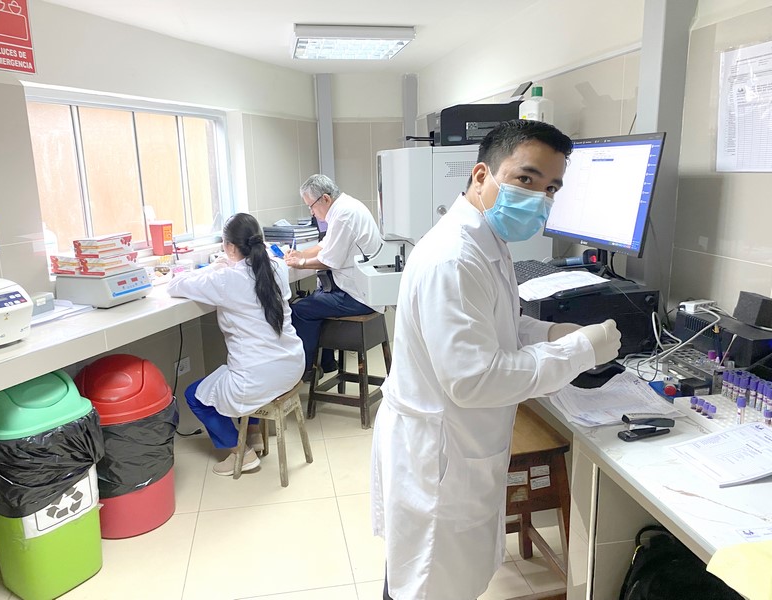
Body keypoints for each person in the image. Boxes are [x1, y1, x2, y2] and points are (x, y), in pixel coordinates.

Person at [370, 120, 622, 600]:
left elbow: (498, 324)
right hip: (441, 455)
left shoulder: (486, 240)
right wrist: (579, 351)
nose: (539, 198)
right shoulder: (455, 258)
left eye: (551, 188)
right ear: (482, 174)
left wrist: (551, 333)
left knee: (424, 577)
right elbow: (474, 379)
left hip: (454, 446)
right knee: (426, 584)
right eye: (525, 178)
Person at [168, 213, 305, 476]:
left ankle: (241, 452)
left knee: (193, 395)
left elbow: (175, 285)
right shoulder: (277, 267)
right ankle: (252, 434)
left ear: (230, 247)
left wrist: (215, 268)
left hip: (257, 378)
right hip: (292, 366)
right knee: (236, 372)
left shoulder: (226, 280)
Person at [285, 174, 383, 381]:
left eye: (311, 206)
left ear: (325, 198)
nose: (312, 212)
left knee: (300, 310)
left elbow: (329, 261)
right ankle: (327, 363)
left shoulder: (343, 215)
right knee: (317, 300)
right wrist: (300, 254)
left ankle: (305, 371)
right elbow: (325, 245)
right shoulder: (346, 206)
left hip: (358, 295)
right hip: (362, 288)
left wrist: (301, 263)